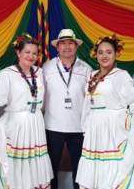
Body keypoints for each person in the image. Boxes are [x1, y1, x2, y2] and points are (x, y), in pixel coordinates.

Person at [76, 35, 134, 189]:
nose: (104, 56)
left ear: (116, 54)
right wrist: (85, 126)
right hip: (94, 131)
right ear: (95, 54)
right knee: (95, 171)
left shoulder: (121, 75)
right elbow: (87, 104)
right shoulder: (92, 75)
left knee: (113, 171)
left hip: (112, 131)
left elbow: (131, 94)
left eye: (109, 52)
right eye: (101, 52)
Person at [0, 33, 53, 189]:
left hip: (36, 123)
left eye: (34, 53)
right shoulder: (7, 73)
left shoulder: (40, 72)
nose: (31, 56)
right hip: (16, 125)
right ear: (18, 53)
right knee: (15, 165)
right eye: (27, 52)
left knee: (35, 166)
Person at [43, 29, 92, 189]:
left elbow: (91, 99)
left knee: (80, 168)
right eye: (62, 43)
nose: (66, 47)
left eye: (70, 43)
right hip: (52, 126)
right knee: (51, 168)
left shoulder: (86, 69)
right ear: (57, 47)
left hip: (79, 127)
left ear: (76, 46)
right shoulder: (46, 68)